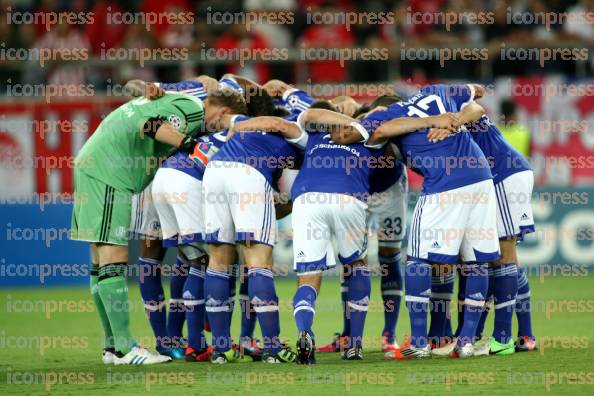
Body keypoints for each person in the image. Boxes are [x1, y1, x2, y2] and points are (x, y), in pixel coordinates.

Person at [70, 88, 244, 365]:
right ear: (223, 113)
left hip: (94, 164)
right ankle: (127, 348)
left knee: (99, 260)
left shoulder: (173, 99)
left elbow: (142, 103)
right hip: (110, 172)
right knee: (113, 258)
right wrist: (191, 144)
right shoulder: (192, 110)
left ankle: (113, 345)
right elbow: (150, 126)